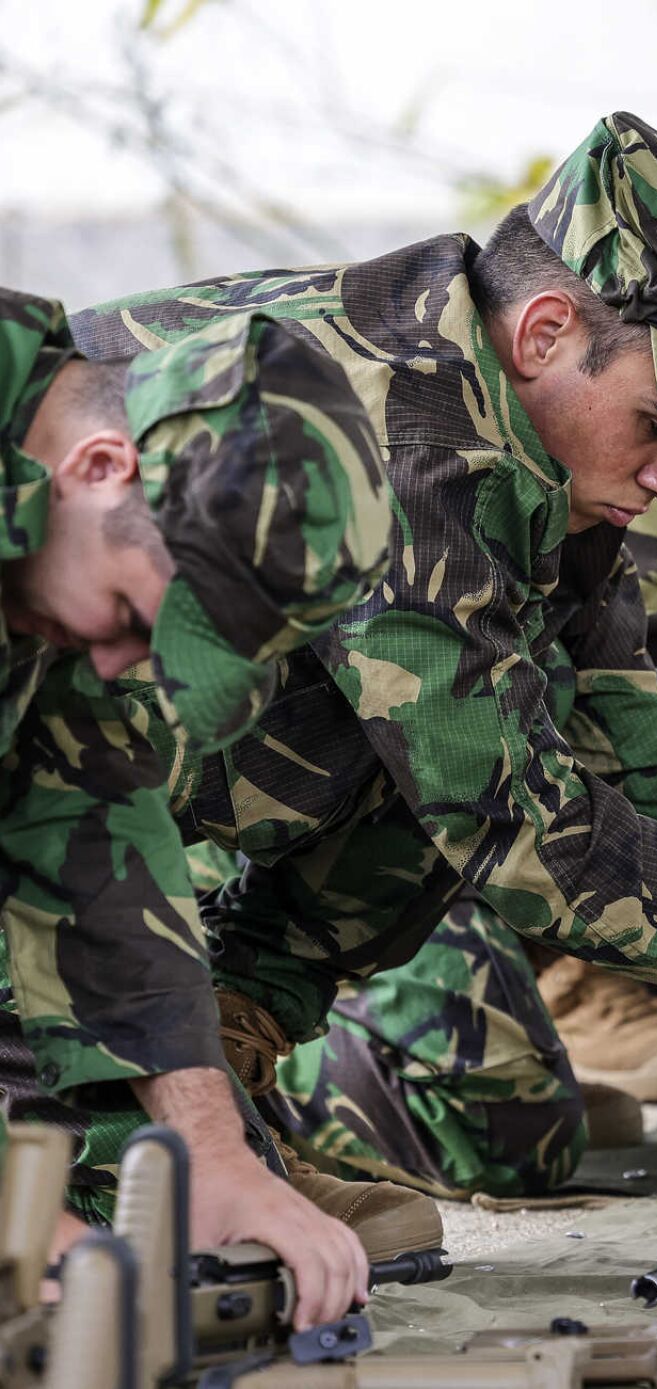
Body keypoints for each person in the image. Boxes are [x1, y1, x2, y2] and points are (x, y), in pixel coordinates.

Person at [33, 112, 657, 1221]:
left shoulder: (530, 445)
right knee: (471, 779)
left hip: (124, 807)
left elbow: (647, 744)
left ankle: (219, 1073)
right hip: (57, 813)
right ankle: (109, 1153)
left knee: (461, 749)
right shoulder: (409, 438)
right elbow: (526, 838)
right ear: (544, 333)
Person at [0, 287, 397, 1329]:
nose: (124, 661)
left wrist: (211, 1153)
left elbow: (94, 832)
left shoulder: (46, 537)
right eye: (135, 615)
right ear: (98, 468)